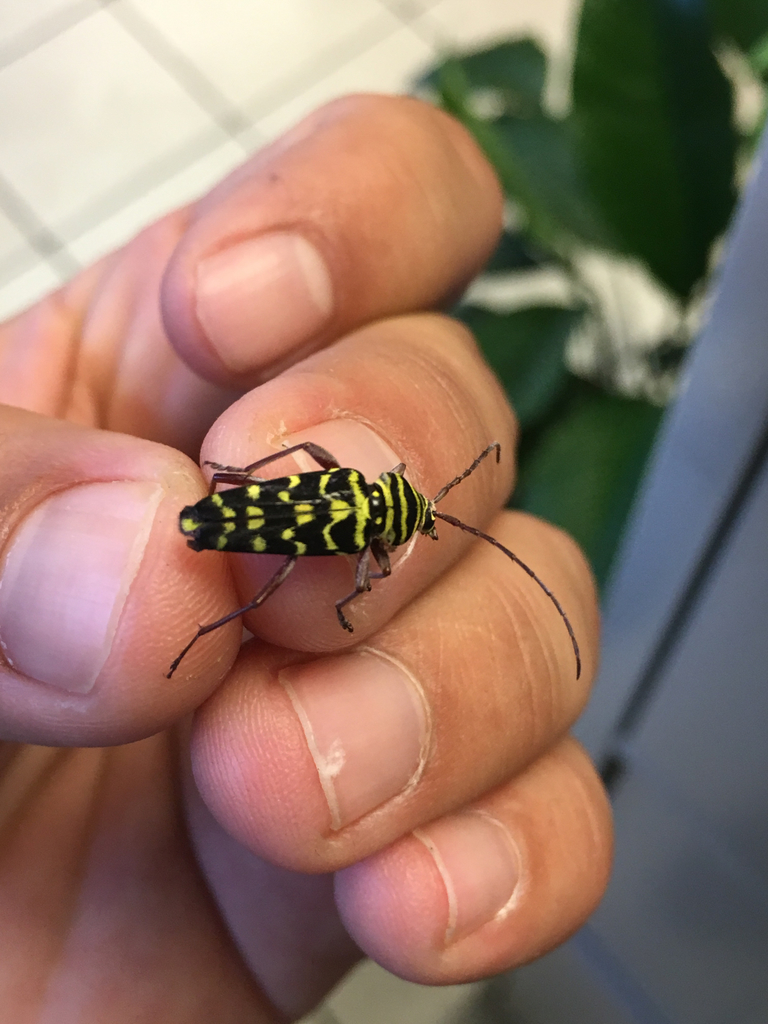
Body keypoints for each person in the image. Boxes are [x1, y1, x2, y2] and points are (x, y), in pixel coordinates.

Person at [0, 95, 610, 1022]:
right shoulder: (379, 528)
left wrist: (256, 488)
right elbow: (362, 570)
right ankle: (222, 570)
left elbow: (345, 524)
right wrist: (350, 578)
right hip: (247, 524)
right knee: (279, 580)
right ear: (402, 513)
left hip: (252, 514)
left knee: (278, 570)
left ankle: (227, 542)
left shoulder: (375, 497)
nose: (406, 536)